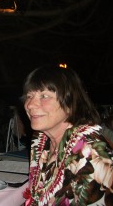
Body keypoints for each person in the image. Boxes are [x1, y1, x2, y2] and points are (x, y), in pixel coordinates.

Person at [22, 65, 113, 205]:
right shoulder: (40, 139)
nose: (30, 105)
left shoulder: (91, 153)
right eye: (29, 96)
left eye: (44, 96)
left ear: (70, 103)